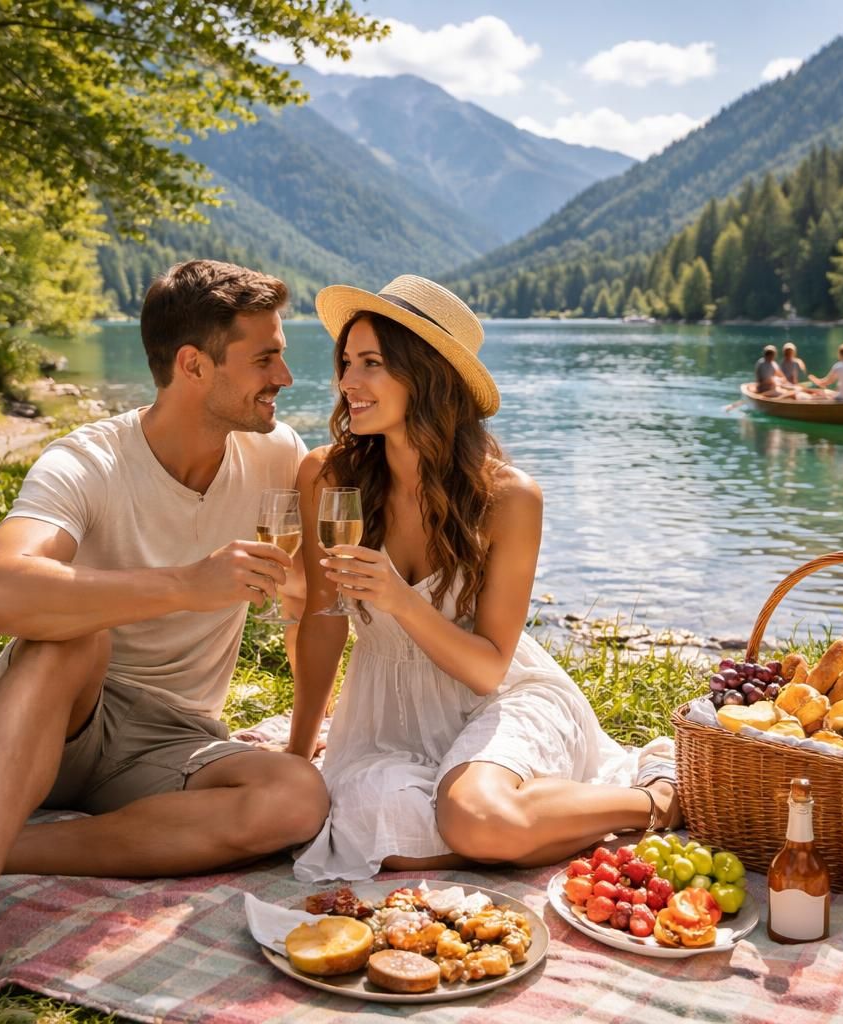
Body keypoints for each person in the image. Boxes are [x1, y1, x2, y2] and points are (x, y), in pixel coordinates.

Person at [0, 260, 329, 1024]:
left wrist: (303, 741)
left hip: (172, 739)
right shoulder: (88, 460)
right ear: (192, 365)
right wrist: (187, 583)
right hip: (66, 708)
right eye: (266, 356)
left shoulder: (276, 457)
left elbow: (310, 604)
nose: (286, 373)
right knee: (71, 634)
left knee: (296, 797)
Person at [288, 275, 679, 883]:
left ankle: (654, 796)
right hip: (386, 715)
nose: (347, 383)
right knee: (372, 828)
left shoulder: (508, 498)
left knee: (471, 820)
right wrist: (298, 750)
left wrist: (399, 599)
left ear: (429, 376)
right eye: (346, 362)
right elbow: (321, 619)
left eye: (372, 364)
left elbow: (489, 667)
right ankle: (532, 826)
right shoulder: (326, 476)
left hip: (500, 698)